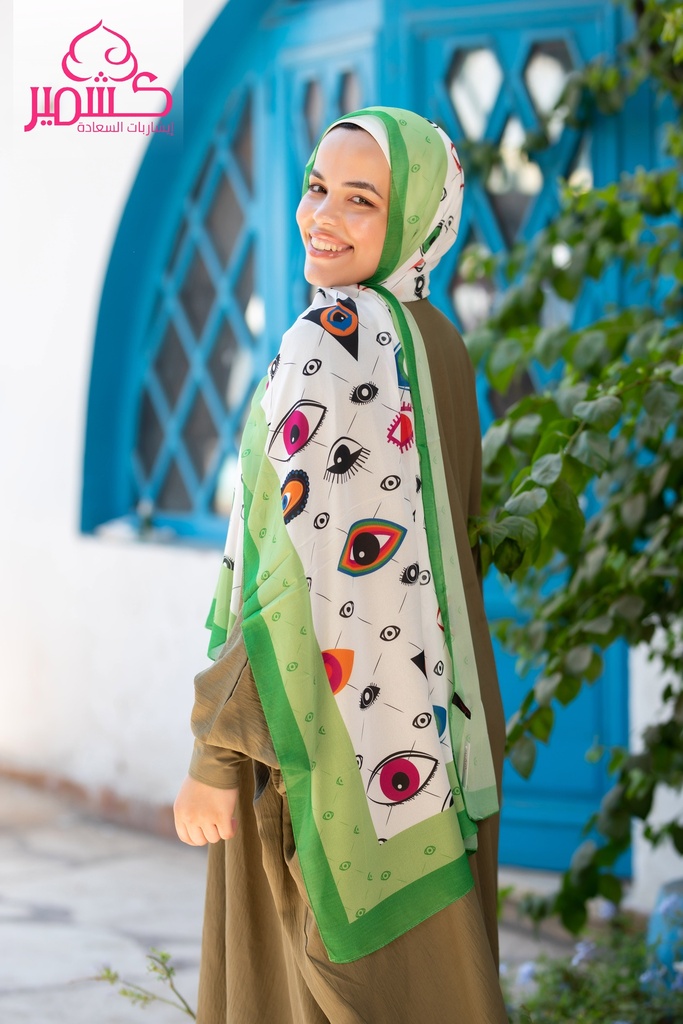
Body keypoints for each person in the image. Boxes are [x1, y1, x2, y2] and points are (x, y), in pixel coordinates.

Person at [174, 107, 508, 1024]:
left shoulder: (332, 337)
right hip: (425, 734)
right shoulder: (431, 337)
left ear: (409, 221)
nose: (321, 214)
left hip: (320, 747)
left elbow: (291, 577)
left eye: (360, 200)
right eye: (318, 186)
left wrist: (215, 750)